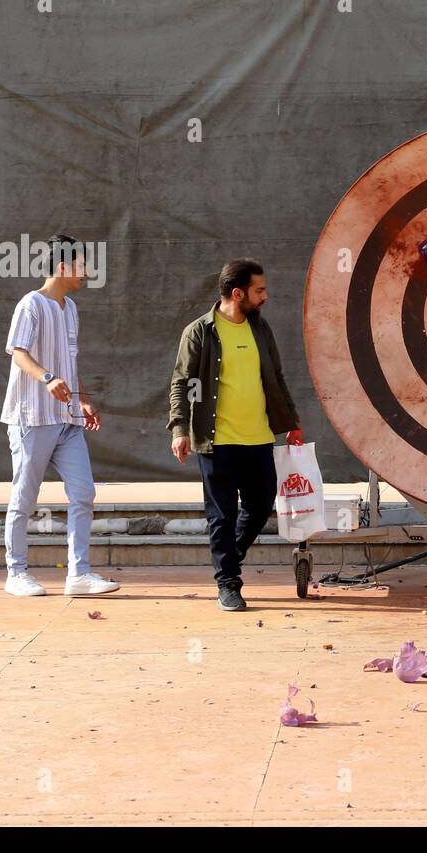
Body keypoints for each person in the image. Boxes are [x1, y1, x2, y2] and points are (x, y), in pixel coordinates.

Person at [168, 259, 302, 611]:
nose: (266, 296)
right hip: (217, 442)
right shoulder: (200, 332)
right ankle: (228, 582)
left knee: (260, 505)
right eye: (259, 290)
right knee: (222, 515)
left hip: (258, 438)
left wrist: (292, 423)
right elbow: (181, 384)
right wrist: (180, 429)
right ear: (238, 293)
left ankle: (230, 556)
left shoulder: (260, 329)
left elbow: (276, 377)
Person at [1, 234, 120, 597]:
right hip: (31, 418)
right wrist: (47, 379)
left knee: (83, 493)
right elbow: (18, 352)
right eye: (82, 265)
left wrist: (81, 400)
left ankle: (79, 575)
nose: (87, 272)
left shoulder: (70, 309)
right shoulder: (30, 305)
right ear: (63, 267)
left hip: (67, 421)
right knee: (24, 497)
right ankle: (16, 573)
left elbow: (69, 360)